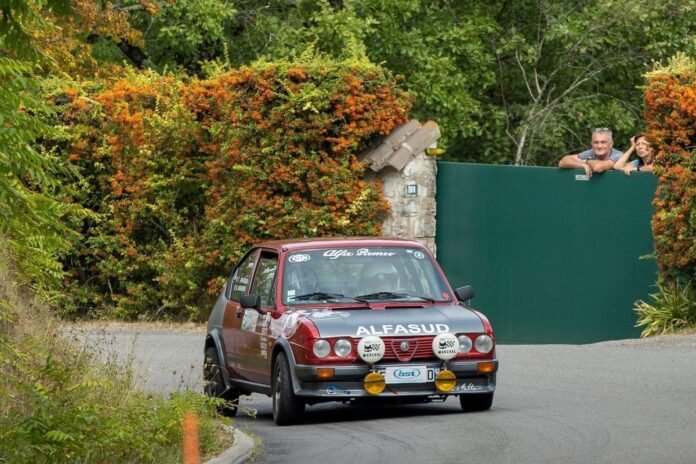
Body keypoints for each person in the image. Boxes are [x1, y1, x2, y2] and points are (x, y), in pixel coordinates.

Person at [558, 128, 623, 178]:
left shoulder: (619, 155)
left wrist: (586, 161)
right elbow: (562, 162)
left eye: (603, 142)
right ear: (592, 144)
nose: (599, 146)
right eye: (596, 142)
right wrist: (582, 165)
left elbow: (598, 167)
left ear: (611, 144)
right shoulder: (591, 152)